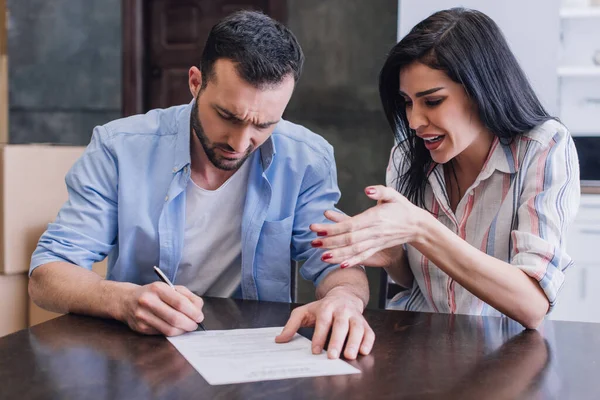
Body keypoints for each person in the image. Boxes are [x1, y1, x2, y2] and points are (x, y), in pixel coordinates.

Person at [28, 10, 374, 360]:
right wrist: (123, 300)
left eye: (264, 125)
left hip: (259, 356)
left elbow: (336, 264)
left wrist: (343, 299)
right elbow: (48, 274)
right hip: (141, 353)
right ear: (195, 82)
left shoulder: (306, 158)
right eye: (227, 116)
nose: (240, 143)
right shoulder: (119, 147)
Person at [309, 8, 580, 329]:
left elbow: (533, 304)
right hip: (414, 346)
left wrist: (421, 228)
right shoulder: (406, 156)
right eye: (407, 102)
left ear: (482, 91)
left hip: (503, 357)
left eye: (432, 101)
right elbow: (412, 285)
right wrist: (394, 258)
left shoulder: (543, 147)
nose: (414, 121)